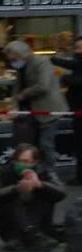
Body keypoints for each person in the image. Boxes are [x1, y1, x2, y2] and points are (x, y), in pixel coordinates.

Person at [0, 143, 66, 251]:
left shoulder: (45, 171)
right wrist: (16, 189)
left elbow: (62, 192)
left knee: (46, 194)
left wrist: (41, 185)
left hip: (40, 225)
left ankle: (35, 233)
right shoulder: (3, 172)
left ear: (35, 162)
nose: (22, 164)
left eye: (26, 162)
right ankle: (27, 233)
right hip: (10, 230)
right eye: (19, 161)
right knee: (9, 197)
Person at [5, 40, 68, 168]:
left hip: (48, 109)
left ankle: (49, 174)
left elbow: (43, 85)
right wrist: (14, 105)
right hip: (32, 113)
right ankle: (34, 172)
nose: (12, 62)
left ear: (21, 54)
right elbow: (17, 86)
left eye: (14, 58)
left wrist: (23, 94)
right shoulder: (21, 66)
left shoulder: (41, 62)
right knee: (31, 146)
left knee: (46, 144)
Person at [52, 36, 82, 185]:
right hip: (76, 111)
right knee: (78, 144)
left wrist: (63, 78)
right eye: (76, 48)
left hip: (80, 111)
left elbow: (78, 79)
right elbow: (72, 64)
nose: (78, 51)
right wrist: (54, 59)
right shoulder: (78, 62)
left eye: (80, 48)